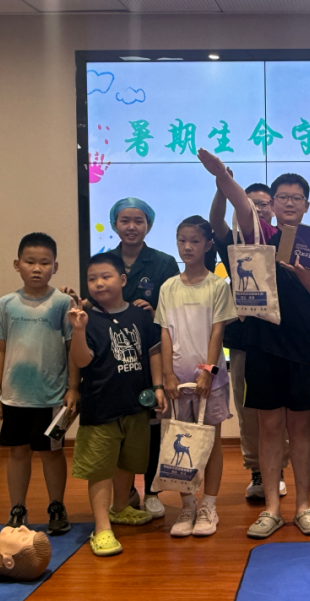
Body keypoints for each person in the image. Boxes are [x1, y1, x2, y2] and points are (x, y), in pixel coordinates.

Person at [198, 148, 310, 539]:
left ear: (307, 205)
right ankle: (272, 509)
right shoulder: (260, 236)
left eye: (297, 198)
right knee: (269, 426)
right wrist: (223, 176)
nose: (290, 204)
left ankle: (304, 506)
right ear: (272, 205)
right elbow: (241, 206)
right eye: (282, 198)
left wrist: (307, 280)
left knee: (301, 427)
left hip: (302, 346)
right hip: (261, 345)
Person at [67, 253, 166, 557]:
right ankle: (101, 527)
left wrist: (158, 386)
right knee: (100, 467)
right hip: (100, 406)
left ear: (122, 280)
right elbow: (82, 361)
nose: (99, 283)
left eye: (106, 276)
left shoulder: (140, 315)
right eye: (92, 279)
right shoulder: (86, 318)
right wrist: (79, 330)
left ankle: (120, 507)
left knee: (128, 462)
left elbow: (153, 351)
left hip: (135, 405)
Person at [0, 232, 76, 535]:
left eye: (45, 263)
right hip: (15, 396)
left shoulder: (63, 303)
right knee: (18, 452)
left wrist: (73, 388)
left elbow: (72, 349)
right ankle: (17, 508)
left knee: (52, 453)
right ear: (17, 264)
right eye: (30, 262)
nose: (37, 268)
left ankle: (57, 506)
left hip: (51, 397)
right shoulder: (6, 304)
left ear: (55, 266)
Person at [155, 216, 237, 539]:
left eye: (194, 241)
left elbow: (217, 333)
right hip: (177, 382)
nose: (187, 247)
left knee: (211, 442)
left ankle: (208, 506)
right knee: (181, 442)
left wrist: (208, 372)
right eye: (182, 240)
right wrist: (167, 375)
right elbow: (165, 333)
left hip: (209, 382)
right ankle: (187, 505)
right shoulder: (168, 287)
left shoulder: (217, 286)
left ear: (207, 245)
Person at [209, 177, 289, 502]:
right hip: (244, 340)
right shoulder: (235, 244)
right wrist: (221, 187)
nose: (258, 209)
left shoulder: (286, 239)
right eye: (251, 204)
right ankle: (257, 469)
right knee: (248, 409)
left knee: (279, 409)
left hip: (282, 338)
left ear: (273, 208)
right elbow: (215, 221)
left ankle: (278, 469)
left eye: (263, 204)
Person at [106, 197, 181, 522]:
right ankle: (124, 494)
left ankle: (151, 491)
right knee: (116, 426)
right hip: (112, 358)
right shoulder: (104, 261)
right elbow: (94, 300)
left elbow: (174, 309)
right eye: (125, 220)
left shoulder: (163, 262)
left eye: (138, 221)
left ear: (148, 225)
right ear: (115, 224)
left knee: (152, 425)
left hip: (150, 354)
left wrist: (153, 312)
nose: (132, 227)